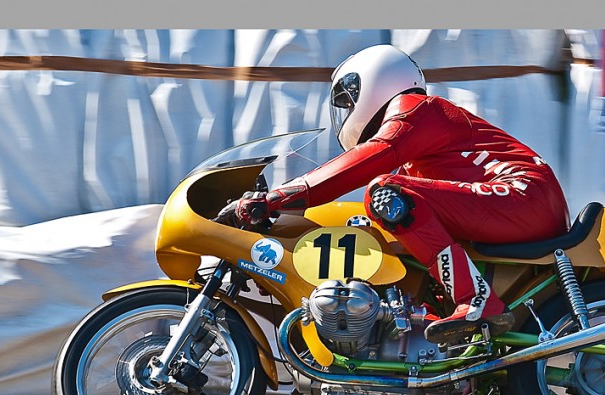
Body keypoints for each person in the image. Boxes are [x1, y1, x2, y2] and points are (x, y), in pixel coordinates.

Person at [222, 44, 570, 344]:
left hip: (522, 196)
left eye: (348, 98)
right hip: (521, 202)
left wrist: (275, 198)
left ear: (373, 81)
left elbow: (359, 164)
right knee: (390, 219)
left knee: (385, 193)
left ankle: (474, 299)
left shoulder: (418, 110)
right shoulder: (417, 154)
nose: (347, 110)